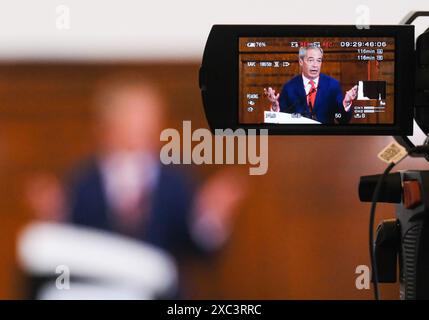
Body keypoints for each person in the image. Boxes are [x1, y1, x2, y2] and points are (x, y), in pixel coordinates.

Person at [25, 75, 246, 256]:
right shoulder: (83, 180)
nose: (141, 128)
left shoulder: (176, 178)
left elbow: (198, 249)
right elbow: (70, 243)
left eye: (148, 119)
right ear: (106, 126)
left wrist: (211, 216)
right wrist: (54, 217)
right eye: (131, 118)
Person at [264, 44, 358, 124]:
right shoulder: (289, 87)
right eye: (310, 60)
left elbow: (343, 120)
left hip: (326, 140)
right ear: (301, 62)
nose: (315, 65)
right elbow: (279, 121)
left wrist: (346, 103)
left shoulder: (332, 85)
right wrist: (275, 107)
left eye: (318, 60)